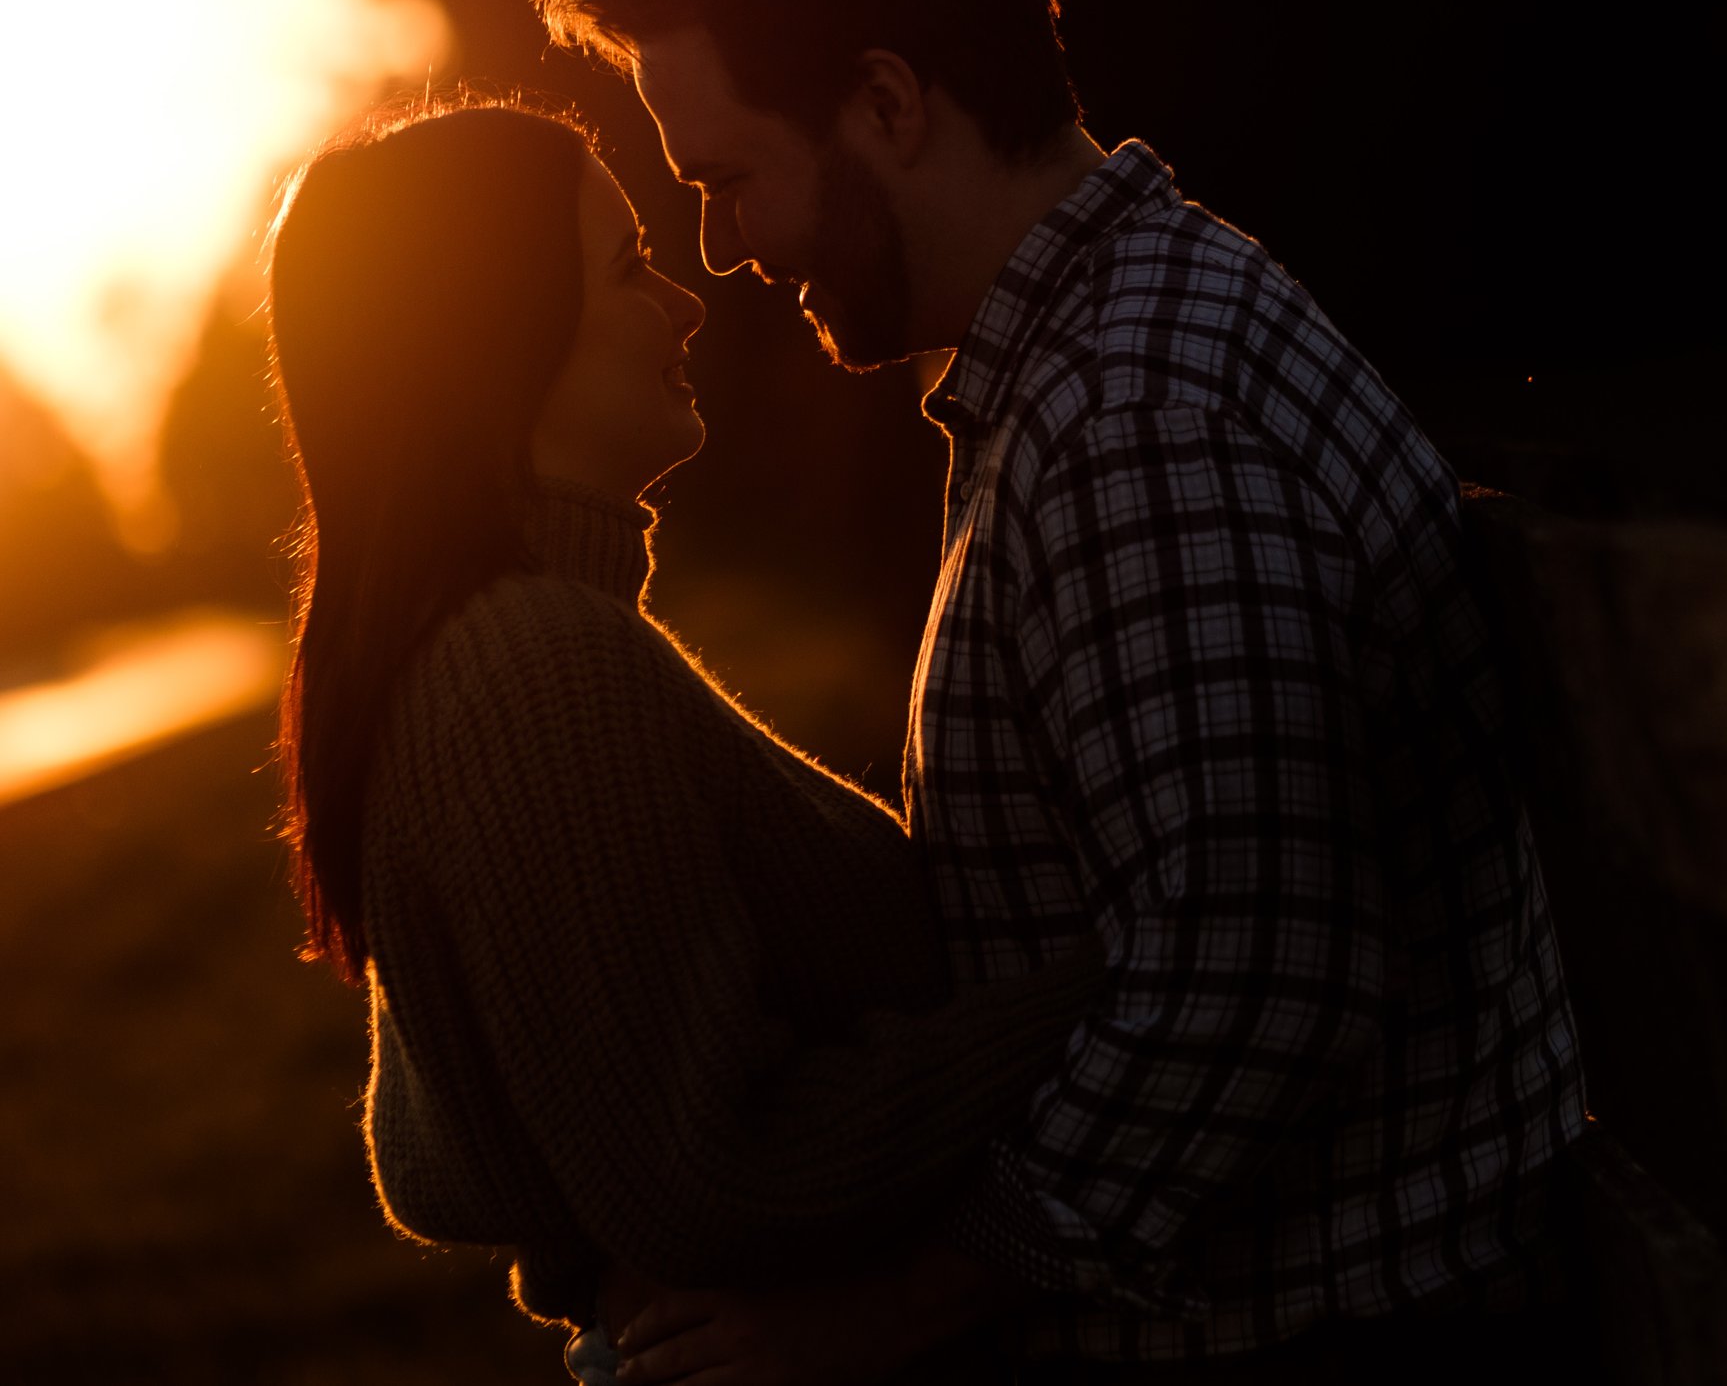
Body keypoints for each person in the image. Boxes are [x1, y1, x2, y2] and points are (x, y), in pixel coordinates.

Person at [535, 0, 1588, 1381]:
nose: (721, 244)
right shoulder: (1105, 353)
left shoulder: (1128, 411)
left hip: (1337, 1333)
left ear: (885, 100)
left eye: (727, 172)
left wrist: (893, 1307)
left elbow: (1251, 970)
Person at [263, 98, 1102, 1373]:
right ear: (501, 339)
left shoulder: (486, 652)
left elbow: (488, 1138)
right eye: (627, 268)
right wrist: (1111, 984)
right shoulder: (530, 669)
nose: (689, 301)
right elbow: (705, 1176)